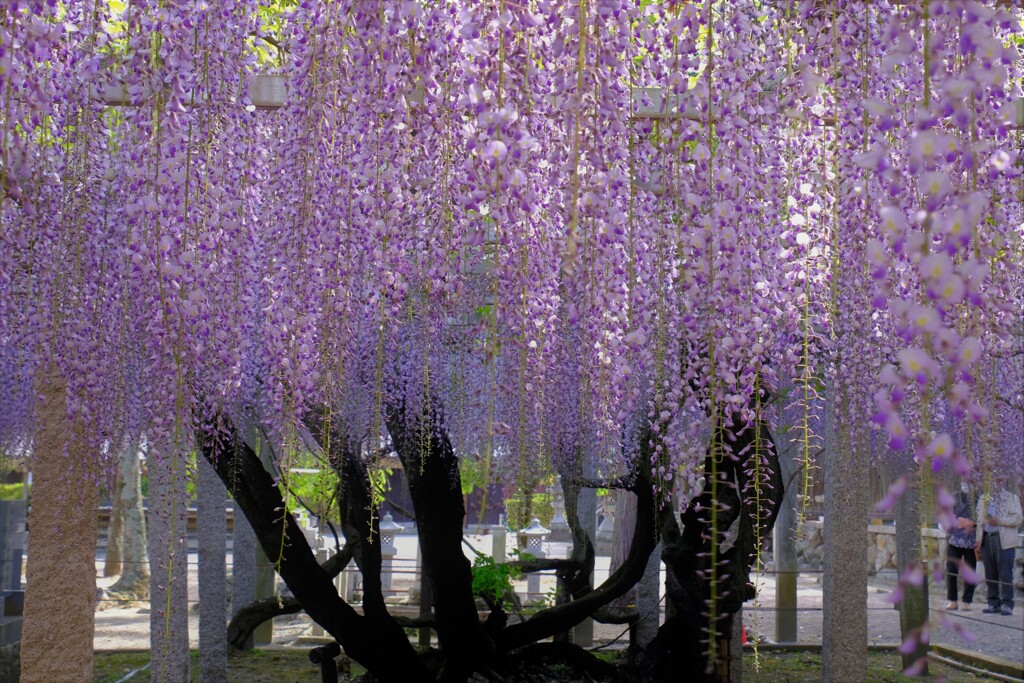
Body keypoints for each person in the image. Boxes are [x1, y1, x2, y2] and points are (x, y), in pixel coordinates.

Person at [975, 482, 1022, 616]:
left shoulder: (1011, 498)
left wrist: (999, 521)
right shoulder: (984, 498)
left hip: (1004, 540)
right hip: (987, 538)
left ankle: (1007, 603)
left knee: (1005, 573)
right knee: (990, 573)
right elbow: (979, 520)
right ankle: (993, 603)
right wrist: (978, 540)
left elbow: (1018, 519)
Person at [944, 481, 977, 611]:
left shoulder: (981, 496)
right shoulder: (954, 495)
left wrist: (972, 522)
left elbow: (986, 512)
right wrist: (958, 522)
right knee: (951, 569)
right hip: (954, 538)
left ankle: (967, 601)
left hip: (971, 541)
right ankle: (953, 600)